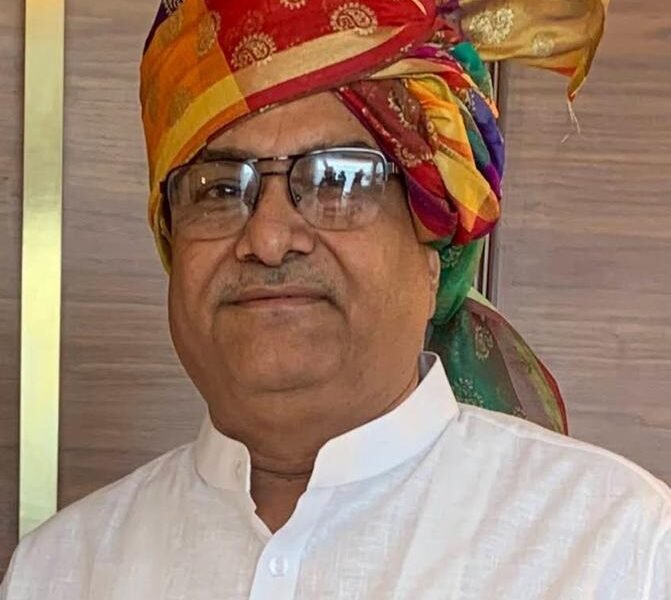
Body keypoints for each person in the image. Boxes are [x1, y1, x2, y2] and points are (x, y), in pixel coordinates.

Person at [2, 0, 669, 598]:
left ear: (433, 247)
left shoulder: (622, 548)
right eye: (220, 188)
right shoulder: (59, 569)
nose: (268, 238)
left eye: (339, 180)